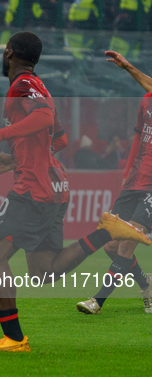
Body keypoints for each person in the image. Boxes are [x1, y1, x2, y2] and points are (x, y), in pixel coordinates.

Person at [0, 32, 151, 352]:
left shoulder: (22, 86)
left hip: (33, 189)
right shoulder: (42, 87)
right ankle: (105, 233)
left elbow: (43, 119)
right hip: (56, 186)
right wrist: (16, 158)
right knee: (43, 273)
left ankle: (13, 339)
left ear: (9, 52)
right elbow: (60, 139)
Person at [76, 51, 152, 314]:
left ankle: (98, 300)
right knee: (110, 245)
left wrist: (128, 67)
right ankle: (146, 285)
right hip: (135, 181)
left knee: (127, 240)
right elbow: (138, 138)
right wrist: (127, 171)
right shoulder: (146, 101)